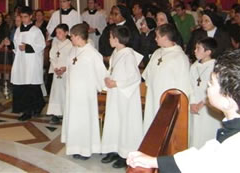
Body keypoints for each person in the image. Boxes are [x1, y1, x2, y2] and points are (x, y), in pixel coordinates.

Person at [127, 49, 240, 173]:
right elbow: (204, 158)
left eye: (211, 84)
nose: (207, 87)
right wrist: (154, 161)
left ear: (228, 100)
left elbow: (207, 165)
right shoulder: (238, 129)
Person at [61, 23, 107, 159]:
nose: (70, 39)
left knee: (84, 121)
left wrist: (103, 87)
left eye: (71, 37)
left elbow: (101, 74)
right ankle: (75, 147)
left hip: (85, 95)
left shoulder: (92, 54)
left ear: (78, 36)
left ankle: (86, 149)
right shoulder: (73, 50)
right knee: (74, 120)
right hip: (73, 94)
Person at [101, 26, 143, 169]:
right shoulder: (116, 52)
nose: (109, 39)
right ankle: (114, 149)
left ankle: (125, 154)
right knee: (114, 121)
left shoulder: (128, 55)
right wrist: (107, 79)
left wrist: (117, 83)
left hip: (126, 97)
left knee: (125, 123)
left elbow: (135, 78)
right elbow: (111, 70)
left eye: (111, 37)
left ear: (117, 39)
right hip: (115, 94)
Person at [142, 23, 191, 134]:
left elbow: (184, 83)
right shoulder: (157, 52)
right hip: (153, 96)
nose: (155, 39)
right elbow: (148, 74)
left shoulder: (180, 57)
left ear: (165, 38)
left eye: (157, 36)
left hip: (168, 100)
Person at [7, 6, 46, 121]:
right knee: (23, 84)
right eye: (21, 17)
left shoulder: (36, 31)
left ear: (30, 17)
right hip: (20, 61)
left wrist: (27, 47)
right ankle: (33, 106)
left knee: (31, 85)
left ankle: (29, 111)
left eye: (25, 17)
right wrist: (10, 44)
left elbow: (41, 46)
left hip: (32, 62)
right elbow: (15, 45)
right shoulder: (18, 30)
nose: (23, 19)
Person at [190, 38, 223, 148]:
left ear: (208, 52)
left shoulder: (215, 66)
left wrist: (203, 103)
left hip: (208, 106)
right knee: (195, 134)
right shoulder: (194, 66)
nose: (195, 51)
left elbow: (217, 88)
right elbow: (190, 85)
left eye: (198, 48)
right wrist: (192, 102)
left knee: (208, 133)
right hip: (194, 105)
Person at [46, 23, 73, 125]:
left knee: (65, 92)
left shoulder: (70, 44)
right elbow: (52, 56)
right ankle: (56, 114)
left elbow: (72, 58)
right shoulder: (55, 43)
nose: (57, 35)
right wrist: (55, 67)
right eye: (56, 32)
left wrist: (65, 68)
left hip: (66, 73)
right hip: (56, 71)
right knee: (56, 93)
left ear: (66, 33)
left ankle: (66, 113)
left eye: (60, 32)